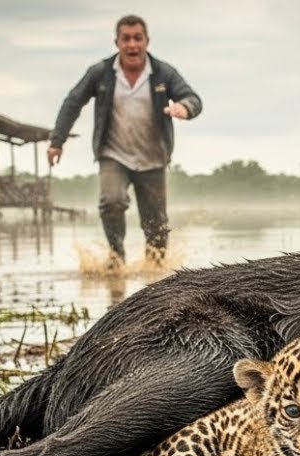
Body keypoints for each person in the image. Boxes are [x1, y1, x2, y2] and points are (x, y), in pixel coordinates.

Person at [48, 14, 202, 267]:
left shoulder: (163, 73)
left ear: (147, 41)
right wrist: (57, 141)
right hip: (114, 155)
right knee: (112, 201)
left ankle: (156, 270)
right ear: (117, 42)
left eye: (137, 39)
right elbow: (73, 102)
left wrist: (185, 108)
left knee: (156, 223)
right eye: (126, 39)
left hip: (153, 158)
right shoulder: (101, 73)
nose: (132, 45)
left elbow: (193, 97)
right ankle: (116, 256)